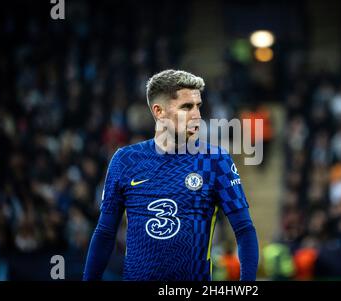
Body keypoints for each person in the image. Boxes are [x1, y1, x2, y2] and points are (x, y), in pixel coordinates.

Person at [83, 70, 258, 281]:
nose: (197, 115)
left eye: (198, 106)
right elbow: (105, 233)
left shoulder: (215, 160)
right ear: (159, 111)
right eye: (186, 107)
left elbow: (244, 230)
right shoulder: (125, 160)